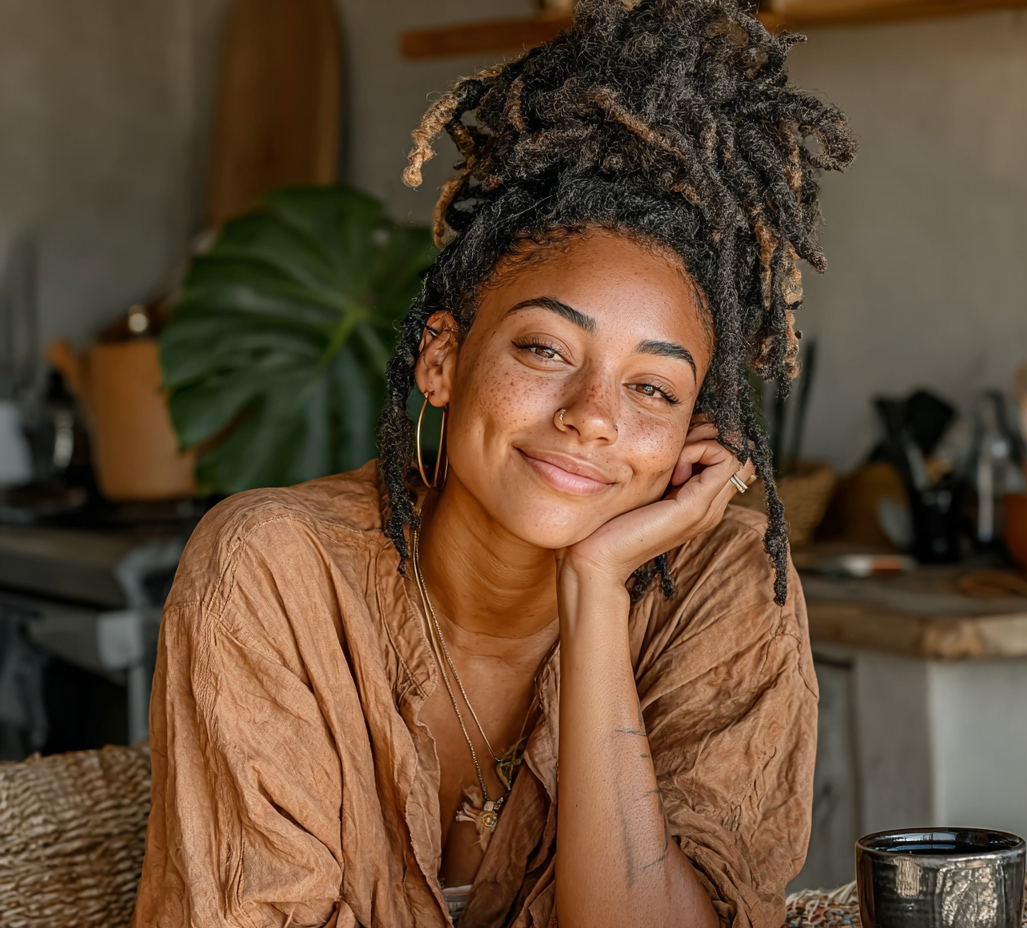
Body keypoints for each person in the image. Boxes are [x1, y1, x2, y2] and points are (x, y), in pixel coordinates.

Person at [133, 1, 856, 926]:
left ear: (692, 435)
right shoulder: (272, 573)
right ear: (441, 361)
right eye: (545, 349)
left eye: (653, 389)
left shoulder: (724, 586)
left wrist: (595, 592)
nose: (593, 418)